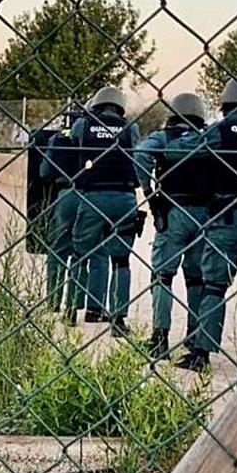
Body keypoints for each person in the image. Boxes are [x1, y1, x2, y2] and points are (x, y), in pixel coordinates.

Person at [168, 76, 237, 373]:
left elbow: (179, 151)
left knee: (214, 286)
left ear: (227, 101)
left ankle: (201, 353)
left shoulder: (221, 130)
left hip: (229, 217)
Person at [134, 92, 208, 359]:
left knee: (163, 276)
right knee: (197, 278)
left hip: (173, 212)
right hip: (205, 214)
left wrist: (149, 191)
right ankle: (195, 335)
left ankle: (160, 338)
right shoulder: (208, 136)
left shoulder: (165, 137)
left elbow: (140, 154)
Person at [69, 86, 141, 336]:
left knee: (80, 253)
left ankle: (72, 310)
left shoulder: (83, 125)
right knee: (121, 261)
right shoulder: (130, 128)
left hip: (92, 197)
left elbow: (74, 147)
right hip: (124, 197)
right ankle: (118, 321)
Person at [40, 108, 84, 320]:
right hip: (88, 195)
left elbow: (45, 171)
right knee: (80, 251)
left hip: (65, 193)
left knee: (57, 249)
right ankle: (74, 305)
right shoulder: (91, 137)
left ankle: (53, 301)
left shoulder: (58, 139)